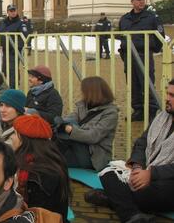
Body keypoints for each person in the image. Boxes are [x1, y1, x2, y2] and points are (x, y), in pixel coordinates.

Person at [85, 78, 174, 223]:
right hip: (147, 170)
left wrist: (151, 174)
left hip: (166, 181)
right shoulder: (161, 118)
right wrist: (137, 167)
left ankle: (113, 199)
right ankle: (131, 215)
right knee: (108, 173)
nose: (167, 99)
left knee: (147, 192)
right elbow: (142, 143)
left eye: (172, 96)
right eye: (167, 94)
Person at [11, 115, 70, 221]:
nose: (12, 137)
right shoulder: (50, 158)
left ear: (25, 140)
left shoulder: (40, 175)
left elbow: (37, 215)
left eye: (15, 134)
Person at [119, 0, 165, 122]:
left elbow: (159, 36)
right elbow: (121, 35)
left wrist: (151, 48)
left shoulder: (152, 17)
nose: (141, 1)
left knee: (147, 82)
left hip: (143, 54)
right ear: (132, 1)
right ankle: (139, 109)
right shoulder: (125, 18)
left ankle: (151, 111)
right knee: (133, 84)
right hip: (129, 57)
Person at [55, 76, 118, 171]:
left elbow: (93, 136)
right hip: (76, 148)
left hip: (94, 157)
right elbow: (70, 118)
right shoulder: (83, 106)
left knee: (54, 161)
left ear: (92, 92)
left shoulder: (110, 113)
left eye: (83, 91)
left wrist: (70, 129)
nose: (82, 93)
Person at [0, 4, 22, 89]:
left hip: (14, 51)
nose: (13, 12)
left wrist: (16, 48)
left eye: (14, 10)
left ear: (16, 11)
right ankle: (6, 87)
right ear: (8, 12)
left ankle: (14, 88)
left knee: (12, 71)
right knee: (4, 70)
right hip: (4, 51)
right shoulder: (3, 22)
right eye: (11, 11)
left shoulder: (20, 23)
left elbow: (23, 37)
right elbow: (0, 34)